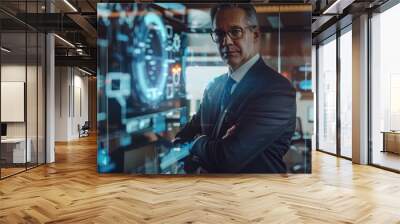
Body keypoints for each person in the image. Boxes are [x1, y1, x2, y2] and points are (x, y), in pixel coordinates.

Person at [173, 3, 296, 173]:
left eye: (235, 31)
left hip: (256, 194)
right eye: (219, 33)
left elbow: (227, 159)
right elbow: (180, 139)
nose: (226, 41)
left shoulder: (276, 90)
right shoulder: (214, 87)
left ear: (255, 34)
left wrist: (197, 142)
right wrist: (209, 147)